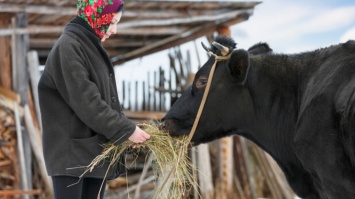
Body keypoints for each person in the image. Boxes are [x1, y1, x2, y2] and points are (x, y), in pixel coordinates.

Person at [38, 0, 151, 198]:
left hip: (93, 154)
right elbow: (89, 103)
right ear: (98, 17)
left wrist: (126, 133)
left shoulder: (90, 47)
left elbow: (107, 101)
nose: (114, 30)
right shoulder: (68, 47)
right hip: (71, 158)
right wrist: (126, 130)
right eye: (113, 22)